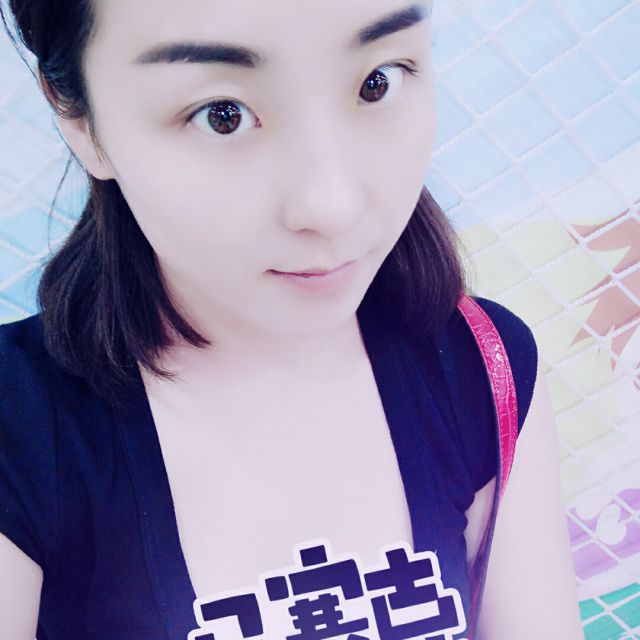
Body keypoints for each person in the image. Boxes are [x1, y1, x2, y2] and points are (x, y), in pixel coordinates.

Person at [0, 1, 584, 638]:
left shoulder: (481, 367)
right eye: (222, 115)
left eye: (378, 81)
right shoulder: (20, 427)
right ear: (80, 120)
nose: (331, 207)